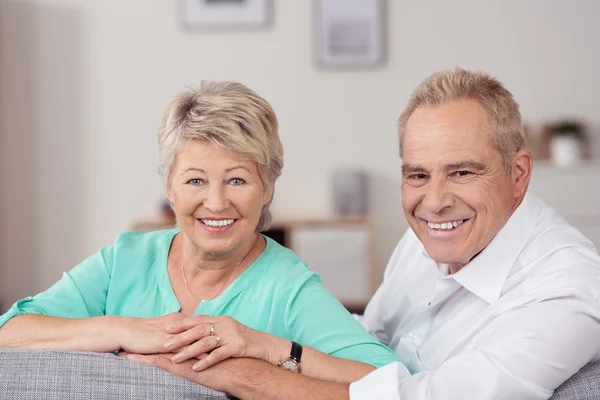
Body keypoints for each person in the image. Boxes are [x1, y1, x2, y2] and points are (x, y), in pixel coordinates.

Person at [127, 68, 600, 400]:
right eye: (417, 175)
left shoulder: (566, 290)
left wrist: (242, 374)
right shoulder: (430, 239)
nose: (433, 201)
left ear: (518, 173)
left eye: (461, 172)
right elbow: (371, 338)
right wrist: (272, 338)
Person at [0, 81, 400, 383]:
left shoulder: (288, 286)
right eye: (195, 181)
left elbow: (389, 379)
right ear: (168, 186)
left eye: (237, 180)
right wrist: (127, 329)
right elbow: (10, 332)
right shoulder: (126, 258)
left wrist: (269, 348)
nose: (216, 202)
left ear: (268, 189)